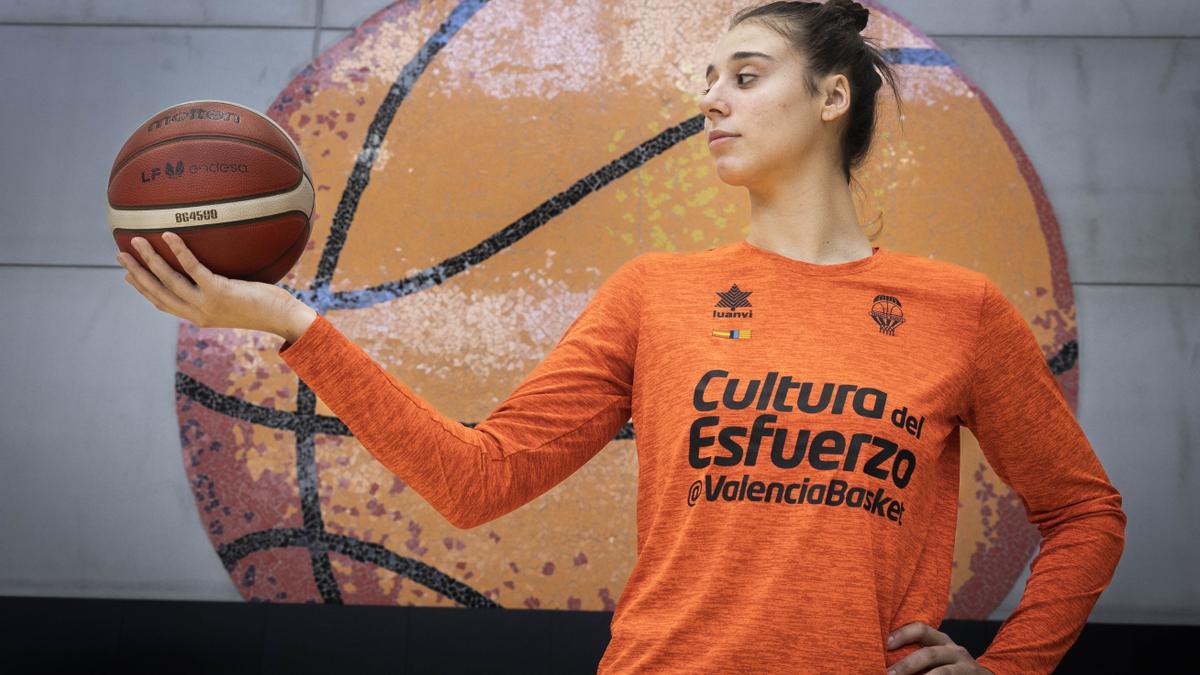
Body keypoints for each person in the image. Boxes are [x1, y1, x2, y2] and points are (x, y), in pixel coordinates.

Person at [117, 1, 1125, 673]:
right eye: (708, 78)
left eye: (744, 73)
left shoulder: (958, 307)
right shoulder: (655, 293)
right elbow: (477, 481)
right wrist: (295, 327)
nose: (711, 99)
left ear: (831, 97)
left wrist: (1009, 668)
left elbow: (1084, 513)